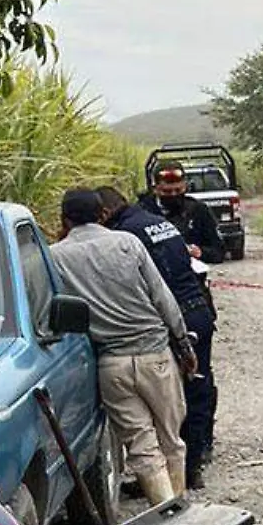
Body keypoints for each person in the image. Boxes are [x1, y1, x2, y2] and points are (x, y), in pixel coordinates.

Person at [46, 188, 195, 505]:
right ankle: (181, 510)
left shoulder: (55, 256)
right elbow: (162, 298)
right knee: (171, 440)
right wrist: (183, 344)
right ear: (103, 214)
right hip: (155, 355)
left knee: (141, 446)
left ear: (65, 219)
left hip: (111, 365)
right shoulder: (128, 243)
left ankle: (166, 512)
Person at [98, 186, 218, 489]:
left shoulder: (126, 236)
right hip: (198, 307)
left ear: (104, 213)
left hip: (177, 313)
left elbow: (151, 288)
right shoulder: (152, 221)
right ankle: (194, 462)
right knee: (197, 386)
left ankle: (182, 473)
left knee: (174, 398)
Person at [139, 160, 226, 265]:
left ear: (185, 186)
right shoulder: (142, 212)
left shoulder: (198, 210)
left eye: (178, 190)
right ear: (155, 189)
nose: (173, 195)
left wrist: (200, 253)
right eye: (167, 191)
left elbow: (219, 252)